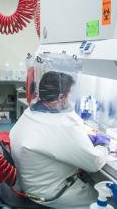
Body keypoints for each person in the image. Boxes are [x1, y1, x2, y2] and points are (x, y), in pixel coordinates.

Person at [10, 70, 110, 209]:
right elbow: (94, 162)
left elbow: (50, 139)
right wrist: (103, 146)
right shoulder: (61, 122)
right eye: (70, 94)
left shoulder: (30, 113)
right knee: (108, 200)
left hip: (29, 186)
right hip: (54, 195)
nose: (70, 99)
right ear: (61, 96)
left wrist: (80, 139)